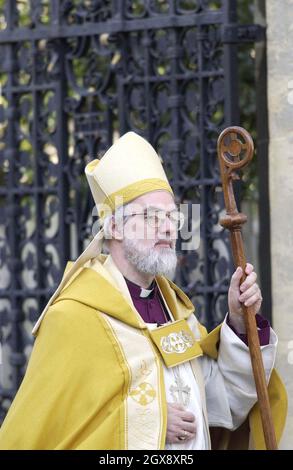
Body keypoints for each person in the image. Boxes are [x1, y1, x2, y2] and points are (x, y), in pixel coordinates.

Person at [0, 132, 287, 450]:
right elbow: (53, 435)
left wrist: (238, 322)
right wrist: (151, 423)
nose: (168, 227)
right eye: (151, 216)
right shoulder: (73, 316)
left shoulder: (176, 313)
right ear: (114, 227)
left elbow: (224, 404)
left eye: (172, 216)